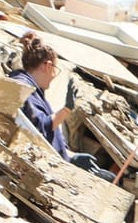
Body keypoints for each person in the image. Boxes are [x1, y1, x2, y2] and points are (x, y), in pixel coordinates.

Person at [10, 32, 106, 175]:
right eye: (56, 69)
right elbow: (38, 129)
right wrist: (66, 109)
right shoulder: (23, 88)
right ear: (48, 66)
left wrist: (71, 157)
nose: (54, 75)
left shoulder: (34, 91)